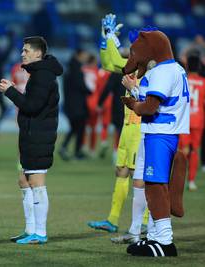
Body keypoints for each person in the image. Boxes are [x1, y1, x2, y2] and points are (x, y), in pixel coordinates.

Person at [122, 29, 189, 257]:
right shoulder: (176, 68)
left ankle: (164, 241)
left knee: (155, 187)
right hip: (167, 133)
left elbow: (150, 107)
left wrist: (133, 105)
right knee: (156, 185)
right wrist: (136, 92)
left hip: (160, 134)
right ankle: (153, 236)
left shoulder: (162, 71)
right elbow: (159, 100)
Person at [0, 36, 63, 244]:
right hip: (31, 135)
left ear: (37, 53)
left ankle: (40, 233)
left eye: (26, 50)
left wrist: (10, 92)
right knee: (24, 180)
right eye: (22, 50)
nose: (22, 53)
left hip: (39, 136)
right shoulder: (39, 74)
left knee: (36, 182)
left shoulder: (43, 75)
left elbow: (32, 106)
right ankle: (30, 229)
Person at [87, 15, 148, 241]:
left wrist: (111, 40)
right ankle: (112, 220)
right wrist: (107, 39)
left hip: (140, 129)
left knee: (138, 176)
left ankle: (143, 222)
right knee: (121, 171)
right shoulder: (133, 67)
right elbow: (109, 63)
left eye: (136, 44)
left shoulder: (150, 70)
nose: (133, 48)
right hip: (127, 129)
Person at [179, 51, 205, 191]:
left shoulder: (183, 79)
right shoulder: (203, 83)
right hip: (198, 120)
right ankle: (192, 181)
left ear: (187, 66)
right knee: (194, 151)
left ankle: (179, 180)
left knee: (183, 150)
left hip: (184, 119)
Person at [59, 49, 90, 160]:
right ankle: (76, 151)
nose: (86, 56)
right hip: (77, 104)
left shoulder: (69, 68)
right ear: (79, 55)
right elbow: (80, 85)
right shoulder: (77, 69)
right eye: (85, 54)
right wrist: (90, 91)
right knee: (79, 127)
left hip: (70, 103)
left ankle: (66, 148)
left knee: (75, 127)